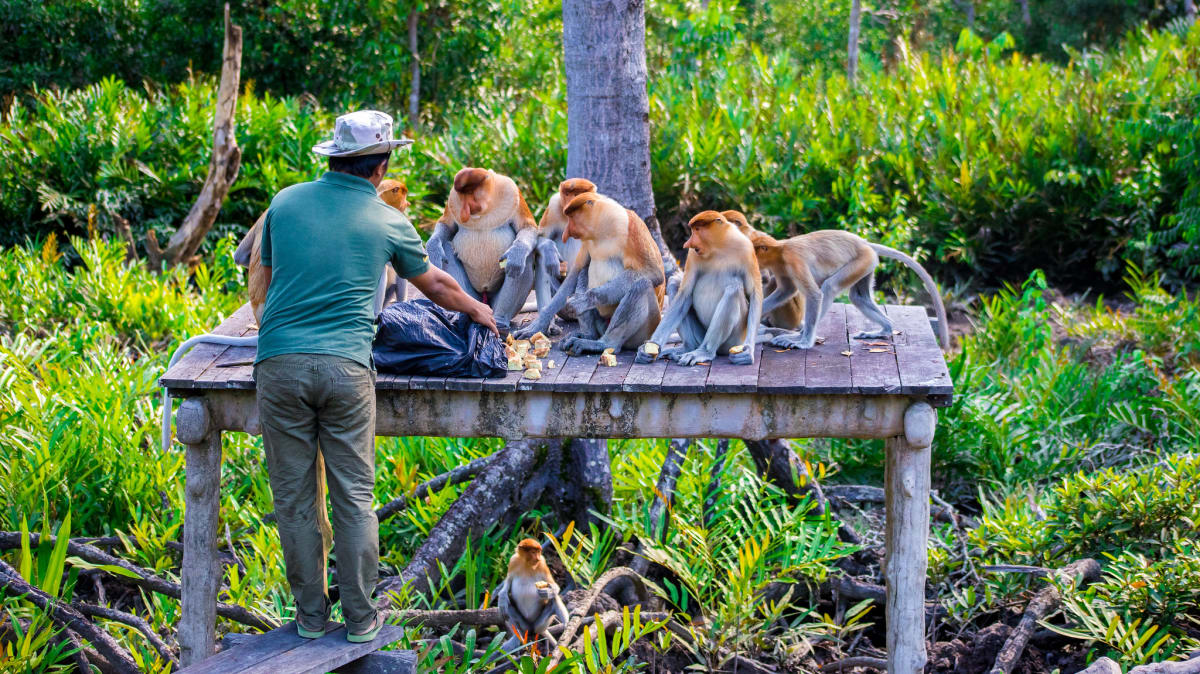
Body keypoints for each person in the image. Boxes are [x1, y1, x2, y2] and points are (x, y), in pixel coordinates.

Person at [254, 110, 497, 643]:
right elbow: (434, 284)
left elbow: (265, 282)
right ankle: (361, 622)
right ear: (381, 165)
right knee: (353, 497)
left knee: (294, 499)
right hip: (346, 367)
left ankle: (311, 620)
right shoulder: (388, 220)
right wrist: (479, 312)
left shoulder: (285, 203)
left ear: (334, 158)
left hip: (278, 364)